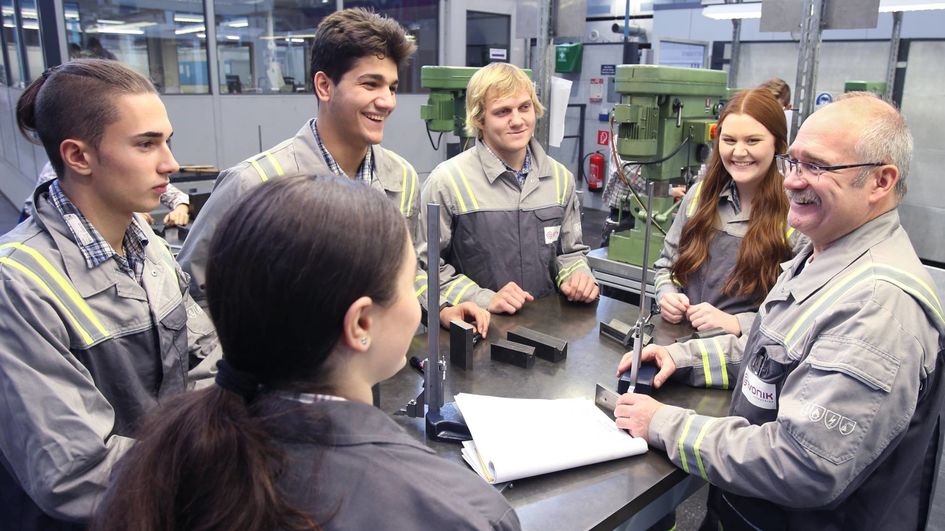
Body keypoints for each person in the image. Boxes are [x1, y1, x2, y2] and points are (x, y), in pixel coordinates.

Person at [90, 176, 521, 531]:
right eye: (411, 284)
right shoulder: (460, 513)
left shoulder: (155, 469)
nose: (418, 302)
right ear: (361, 324)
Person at [615, 92, 945, 530]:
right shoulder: (825, 258)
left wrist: (666, 425)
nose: (791, 181)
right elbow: (772, 358)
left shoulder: (877, 307)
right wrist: (685, 358)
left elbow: (802, 463)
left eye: (817, 167)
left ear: (881, 182)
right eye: (795, 163)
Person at [0, 59, 221, 529]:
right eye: (146, 144)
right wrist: (219, 471)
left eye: (167, 140)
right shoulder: (17, 284)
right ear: (78, 156)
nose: (171, 163)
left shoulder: (151, 250)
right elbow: (76, 473)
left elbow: (204, 364)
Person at [176, 8, 488, 333]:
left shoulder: (402, 178)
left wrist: (438, 307)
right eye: (371, 84)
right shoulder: (254, 183)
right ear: (325, 86)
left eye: (392, 88)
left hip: (373, 370)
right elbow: (190, 291)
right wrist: (244, 370)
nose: (387, 102)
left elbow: (403, 272)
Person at [416, 62, 598, 315]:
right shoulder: (446, 182)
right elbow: (424, 269)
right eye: (502, 112)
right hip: (478, 330)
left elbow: (569, 253)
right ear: (479, 119)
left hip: (548, 327)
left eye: (524, 107)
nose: (517, 120)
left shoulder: (559, 178)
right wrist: (482, 299)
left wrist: (578, 275)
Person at [653, 89, 806, 336]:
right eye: (730, 140)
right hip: (680, 346)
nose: (739, 152)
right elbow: (665, 267)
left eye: (753, 141)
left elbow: (799, 310)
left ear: (777, 144)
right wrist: (667, 295)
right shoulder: (699, 196)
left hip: (744, 356)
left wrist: (739, 324)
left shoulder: (797, 214)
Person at [22, 161, 191, 226]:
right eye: (145, 144)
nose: (172, 165)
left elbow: (169, 191)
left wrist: (181, 207)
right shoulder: (57, 174)